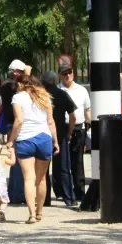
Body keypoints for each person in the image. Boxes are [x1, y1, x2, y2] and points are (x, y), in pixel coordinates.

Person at [4, 76, 57, 224]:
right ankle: (40, 211)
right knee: (41, 179)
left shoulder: (17, 98)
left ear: (20, 84)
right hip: (44, 138)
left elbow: (19, 120)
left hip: (25, 139)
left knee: (28, 178)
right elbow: (51, 121)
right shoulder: (44, 96)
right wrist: (56, 141)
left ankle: (31, 214)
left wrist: (10, 141)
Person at [42, 71, 78, 207]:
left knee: (43, 169)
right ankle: (69, 198)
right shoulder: (62, 94)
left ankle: (45, 199)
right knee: (63, 167)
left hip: (43, 134)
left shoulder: (39, 96)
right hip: (61, 134)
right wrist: (69, 131)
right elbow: (73, 116)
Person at [59, 61, 91, 202]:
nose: (68, 75)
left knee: (78, 162)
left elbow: (87, 110)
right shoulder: (58, 90)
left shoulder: (82, 90)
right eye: (65, 73)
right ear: (60, 75)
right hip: (63, 127)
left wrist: (90, 125)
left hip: (79, 128)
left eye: (70, 72)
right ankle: (63, 191)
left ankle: (79, 191)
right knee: (63, 161)